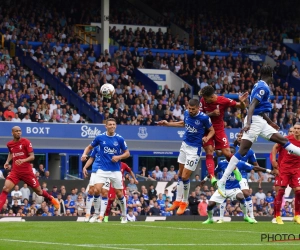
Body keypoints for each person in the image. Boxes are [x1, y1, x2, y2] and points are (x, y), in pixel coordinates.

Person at [217, 65, 300, 197]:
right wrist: (249, 123)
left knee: (283, 140)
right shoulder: (263, 87)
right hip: (255, 122)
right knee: (242, 150)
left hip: (260, 120)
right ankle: (222, 180)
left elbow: (259, 108)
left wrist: (270, 122)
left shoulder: (259, 85)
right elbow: (252, 106)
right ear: (271, 75)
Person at [158, 99, 215, 215]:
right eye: (189, 108)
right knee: (179, 174)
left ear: (198, 108)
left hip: (194, 150)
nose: (191, 111)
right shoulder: (186, 113)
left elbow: (212, 130)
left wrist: (207, 138)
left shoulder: (204, 118)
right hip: (184, 145)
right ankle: (177, 201)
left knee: (185, 176)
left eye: (193, 109)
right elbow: (183, 123)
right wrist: (168, 123)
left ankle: (184, 202)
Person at [81, 118, 130, 223]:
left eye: (114, 124)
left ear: (115, 126)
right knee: (96, 190)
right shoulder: (100, 137)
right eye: (110, 124)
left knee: (119, 193)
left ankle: (124, 215)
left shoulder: (120, 139)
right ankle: (97, 214)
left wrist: (118, 157)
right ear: (106, 126)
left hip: (115, 170)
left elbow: (127, 153)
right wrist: (84, 154)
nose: (112, 126)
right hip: (102, 169)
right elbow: (89, 147)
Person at [0, 126, 59, 212]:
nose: (18, 132)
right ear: (12, 133)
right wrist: (7, 161)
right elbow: (11, 153)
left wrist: (23, 160)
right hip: (15, 172)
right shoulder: (10, 144)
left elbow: (32, 157)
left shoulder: (26, 142)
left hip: (27, 172)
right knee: (5, 188)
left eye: (20, 131)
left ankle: (51, 198)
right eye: (16, 131)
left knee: (39, 192)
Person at [200, 85, 248, 185]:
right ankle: (212, 177)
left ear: (212, 96)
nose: (204, 100)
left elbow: (242, 106)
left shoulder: (223, 100)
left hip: (218, 129)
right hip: (207, 129)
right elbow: (199, 116)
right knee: (209, 151)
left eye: (206, 98)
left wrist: (242, 102)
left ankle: (235, 169)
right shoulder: (203, 100)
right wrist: (212, 113)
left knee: (226, 152)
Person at [201, 159, 272, 224]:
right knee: (210, 204)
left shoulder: (240, 163)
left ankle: (246, 216)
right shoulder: (221, 163)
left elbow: (254, 167)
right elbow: (213, 172)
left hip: (234, 188)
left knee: (241, 197)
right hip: (223, 188)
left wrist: (268, 171)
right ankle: (210, 219)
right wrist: (205, 179)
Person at [218, 133, 261, 223]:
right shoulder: (232, 148)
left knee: (246, 193)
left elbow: (255, 164)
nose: (240, 138)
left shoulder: (249, 151)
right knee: (224, 195)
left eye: (242, 137)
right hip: (230, 174)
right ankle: (221, 218)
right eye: (238, 137)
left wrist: (260, 176)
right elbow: (221, 152)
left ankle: (252, 217)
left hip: (242, 175)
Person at [271, 123, 300, 224]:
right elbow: (274, 147)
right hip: (284, 169)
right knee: (281, 191)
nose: (296, 130)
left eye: (298, 129)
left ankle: (297, 215)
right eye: (294, 129)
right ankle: (277, 216)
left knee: (298, 191)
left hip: (296, 169)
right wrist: (274, 162)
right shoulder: (286, 139)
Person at [82, 145, 110, 222]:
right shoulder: (96, 148)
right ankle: (88, 214)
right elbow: (91, 158)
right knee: (91, 191)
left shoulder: (111, 148)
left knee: (104, 193)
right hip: (95, 171)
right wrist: (85, 167)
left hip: (106, 172)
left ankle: (101, 216)